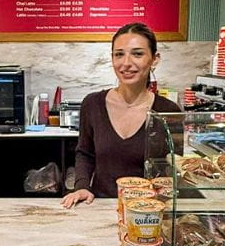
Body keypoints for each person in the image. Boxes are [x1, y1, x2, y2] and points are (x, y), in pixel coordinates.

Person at [61, 22, 183, 208]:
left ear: (154, 59)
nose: (126, 63)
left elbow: (172, 167)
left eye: (137, 54)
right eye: (119, 54)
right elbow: (85, 153)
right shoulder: (93, 104)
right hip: (100, 206)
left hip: (148, 212)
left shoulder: (169, 111)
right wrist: (82, 186)